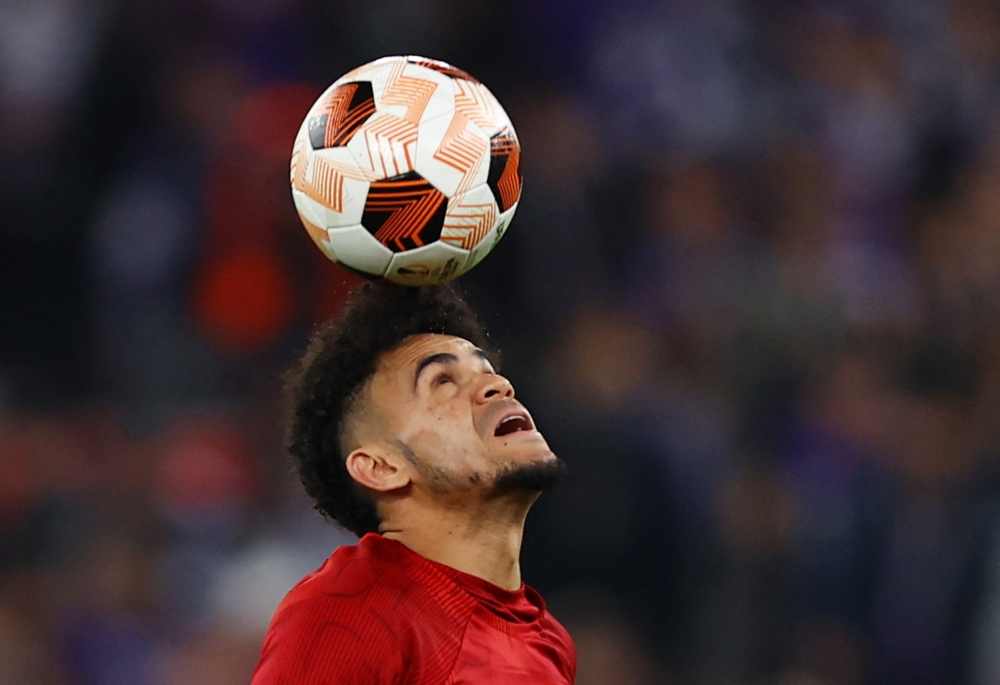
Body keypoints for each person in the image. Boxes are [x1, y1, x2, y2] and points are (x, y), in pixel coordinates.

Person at [251, 282, 576, 684]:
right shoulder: (353, 609)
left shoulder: (549, 640)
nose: (498, 386)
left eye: (486, 371)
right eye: (443, 381)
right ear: (381, 467)